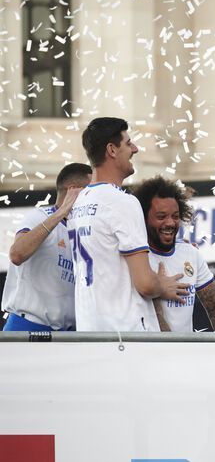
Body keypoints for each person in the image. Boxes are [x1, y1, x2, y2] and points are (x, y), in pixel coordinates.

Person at [69, 118, 189, 332]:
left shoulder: (81, 201)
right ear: (112, 150)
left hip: (90, 331)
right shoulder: (121, 201)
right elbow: (145, 284)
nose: (135, 149)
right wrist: (162, 285)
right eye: (128, 143)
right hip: (126, 336)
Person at [133, 176, 215, 332]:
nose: (170, 223)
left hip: (184, 353)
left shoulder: (191, 253)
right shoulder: (137, 259)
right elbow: (157, 319)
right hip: (153, 353)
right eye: (161, 217)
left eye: (175, 216)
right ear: (143, 218)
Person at [2, 163, 92, 331]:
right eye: (89, 192)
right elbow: (16, 254)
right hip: (27, 326)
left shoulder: (83, 230)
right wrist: (62, 212)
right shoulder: (39, 216)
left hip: (66, 334)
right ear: (73, 190)